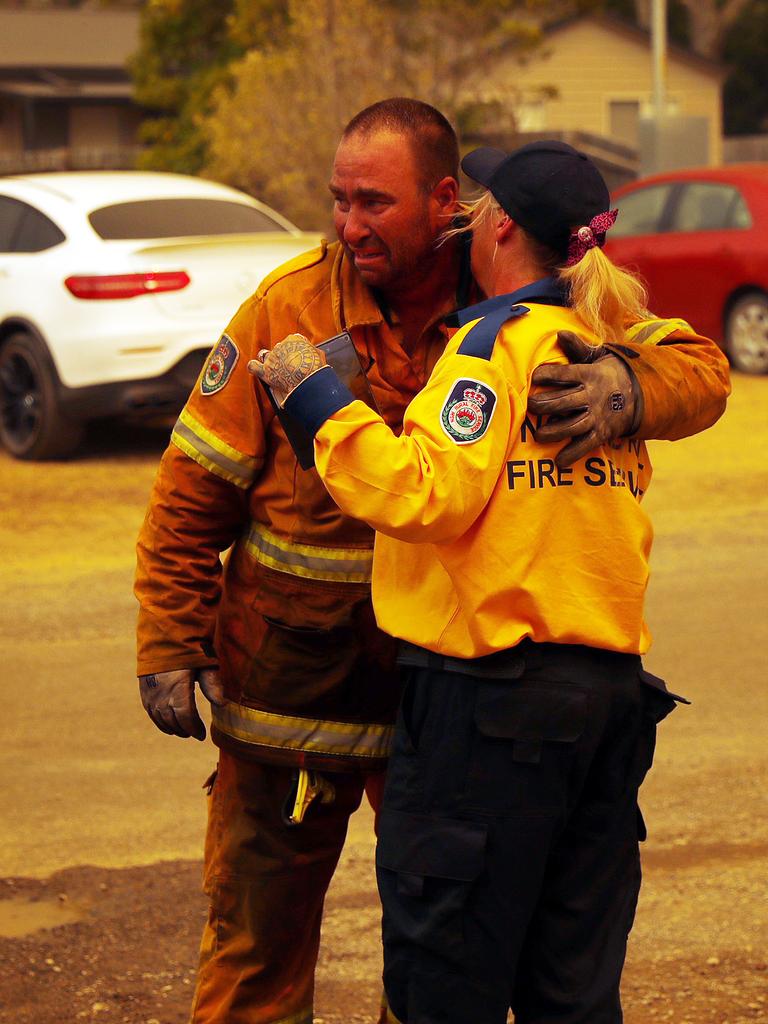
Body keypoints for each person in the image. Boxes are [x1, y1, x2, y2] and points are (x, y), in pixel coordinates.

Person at [134, 99, 729, 1024]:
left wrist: (628, 387)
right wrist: (169, 636)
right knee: (259, 945)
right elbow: (192, 486)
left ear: (449, 202)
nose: (349, 225)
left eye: (374, 202)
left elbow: (697, 367)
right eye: (339, 200)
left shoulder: (520, 292)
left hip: (454, 701)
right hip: (297, 692)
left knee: (442, 953)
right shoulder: (286, 307)